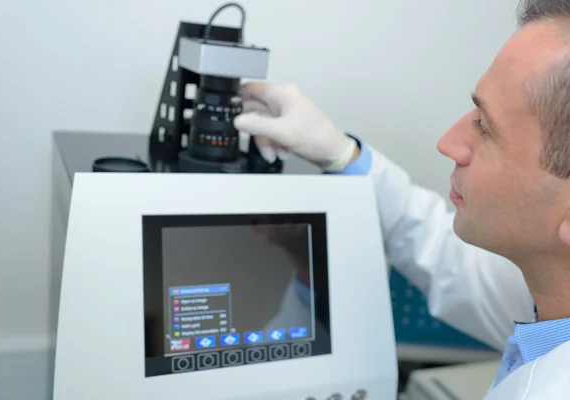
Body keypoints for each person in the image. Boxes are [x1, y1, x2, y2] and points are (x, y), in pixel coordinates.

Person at [233, 0, 570, 398]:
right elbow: (444, 256)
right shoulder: (548, 295)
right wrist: (343, 156)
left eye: (485, 126)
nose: (447, 143)